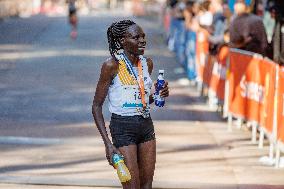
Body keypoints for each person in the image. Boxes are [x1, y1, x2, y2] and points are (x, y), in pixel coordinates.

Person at [92, 20, 169, 189]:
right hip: (122, 127)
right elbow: (96, 106)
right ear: (122, 41)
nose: (142, 41)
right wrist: (108, 144)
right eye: (136, 37)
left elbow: (142, 99)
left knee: (146, 186)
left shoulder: (147, 63)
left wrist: (158, 94)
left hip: (145, 124)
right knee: (132, 186)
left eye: (143, 37)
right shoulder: (111, 65)